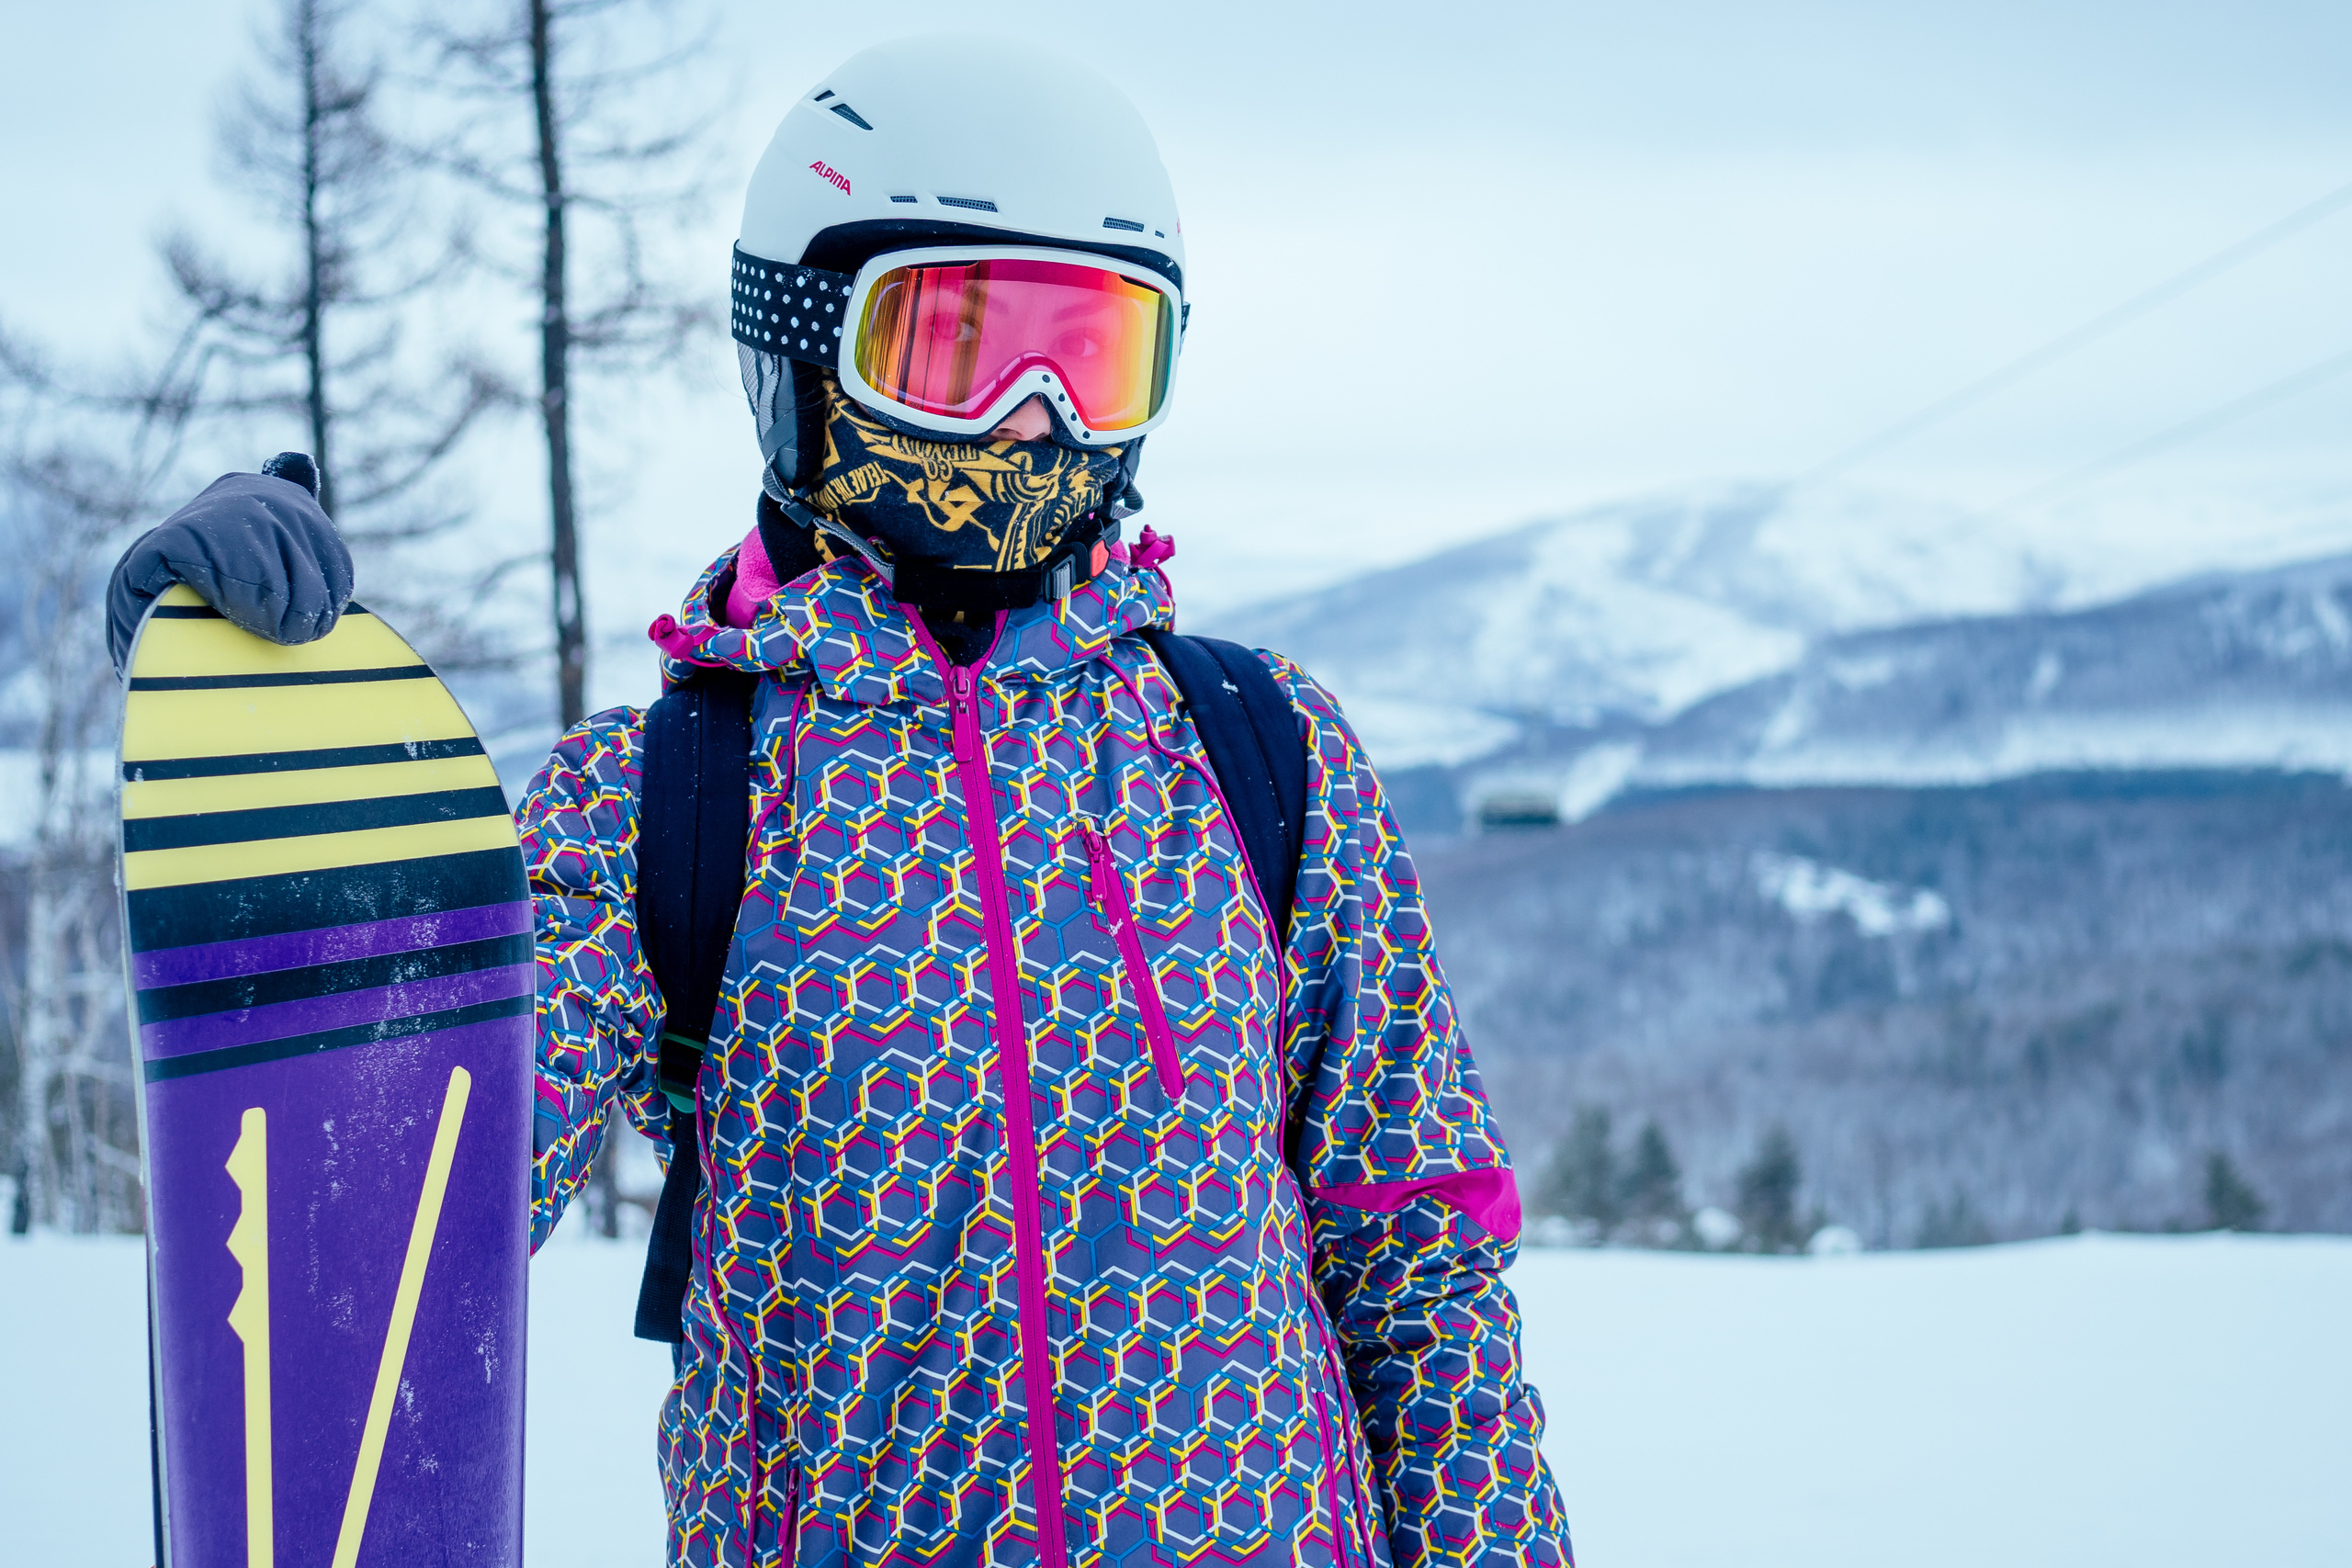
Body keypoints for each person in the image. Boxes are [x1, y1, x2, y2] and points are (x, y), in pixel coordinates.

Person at [109, 33, 1571, 1568]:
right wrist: (245, 718)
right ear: (797, 351)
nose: (1036, 418)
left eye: (1095, 355)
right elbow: (402, 1180)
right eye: (959, 345)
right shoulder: (669, 796)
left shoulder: (1261, 749)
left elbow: (1416, 1255)